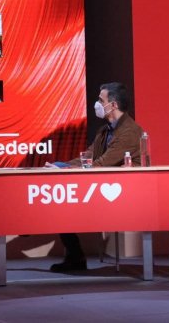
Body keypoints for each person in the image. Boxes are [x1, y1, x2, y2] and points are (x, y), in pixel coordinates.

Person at [46, 82, 144, 272]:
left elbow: (102, 163)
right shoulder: (105, 130)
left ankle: (75, 256)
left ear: (113, 105)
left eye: (101, 100)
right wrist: (62, 166)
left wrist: (66, 170)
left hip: (125, 194)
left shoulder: (130, 132)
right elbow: (88, 158)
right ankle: (74, 256)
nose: (97, 104)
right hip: (101, 185)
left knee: (63, 202)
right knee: (59, 182)